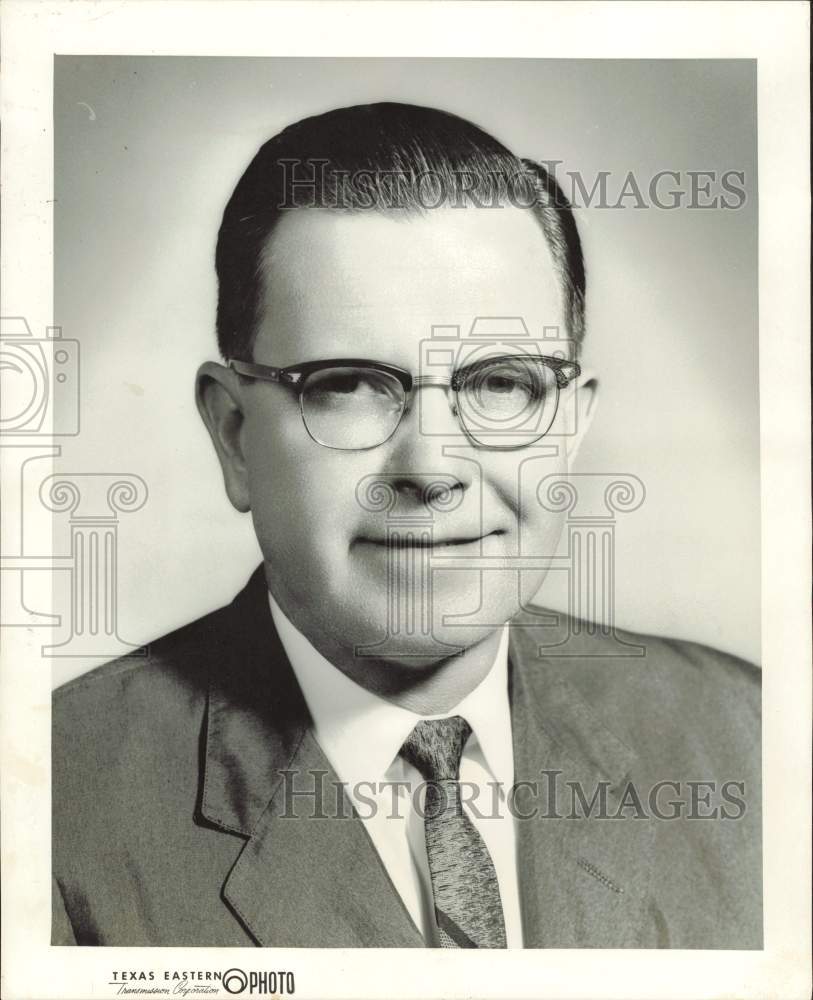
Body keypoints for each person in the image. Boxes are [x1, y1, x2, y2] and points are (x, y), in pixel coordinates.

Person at [52, 102, 761, 949]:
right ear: (234, 437)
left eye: (501, 384)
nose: (430, 469)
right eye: (347, 383)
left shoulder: (750, 741)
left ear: (567, 426)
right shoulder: (47, 810)